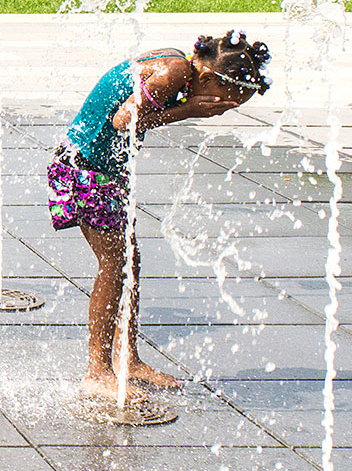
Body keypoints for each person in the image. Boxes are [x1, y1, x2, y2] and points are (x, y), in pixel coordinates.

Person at [53, 33, 272, 400]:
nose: (222, 109)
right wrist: (190, 110)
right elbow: (125, 120)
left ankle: (128, 358)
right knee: (114, 265)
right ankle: (97, 372)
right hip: (85, 168)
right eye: (225, 102)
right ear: (209, 79)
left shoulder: (180, 64)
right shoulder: (174, 72)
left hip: (105, 168)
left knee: (129, 264)